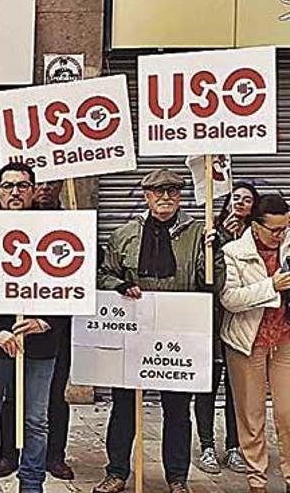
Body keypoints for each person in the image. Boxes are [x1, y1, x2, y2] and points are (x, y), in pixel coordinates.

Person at [93, 169, 211, 493]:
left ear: (181, 197)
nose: (165, 198)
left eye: (172, 192)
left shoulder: (200, 233)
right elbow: (103, 275)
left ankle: (177, 478)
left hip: (178, 335)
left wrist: (216, 253)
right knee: (123, 408)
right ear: (146, 196)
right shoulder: (124, 234)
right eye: (158, 192)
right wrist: (120, 285)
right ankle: (116, 472)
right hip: (134, 334)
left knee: (177, 411)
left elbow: (212, 284)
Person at [0, 162, 60, 493]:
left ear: (34, 191)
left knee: (36, 422)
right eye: (8, 186)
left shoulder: (59, 228)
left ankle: (32, 485)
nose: (15, 192)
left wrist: (46, 320)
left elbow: (74, 288)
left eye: (22, 185)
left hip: (40, 345)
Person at [0, 178, 75, 481]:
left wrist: (48, 321)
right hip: (11, 326)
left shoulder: (69, 224)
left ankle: (53, 456)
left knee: (54, 395)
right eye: (36, 182)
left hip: (53, 331)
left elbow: (76, 285)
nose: (42, 188)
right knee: (10, 395)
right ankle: (8, 454)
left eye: (49, 182)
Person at [220, 194, 290, 493]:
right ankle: (257, 481)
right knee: (251, 416)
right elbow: (230, 299)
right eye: (274, 230)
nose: (280, 235)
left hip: (284, 337)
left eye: (285, 228)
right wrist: (270, 286)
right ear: (256, 226)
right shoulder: (233, 252)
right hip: (247, 341)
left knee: (287, 413)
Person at [194, 182, 259, 475]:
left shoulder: (258, 238)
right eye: (236, 198)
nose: (240, 203)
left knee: (237, 390)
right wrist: (218, 241)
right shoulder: (211, 234)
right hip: (210, 320)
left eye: (247, 200)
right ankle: (207, 445)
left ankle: (235, 446)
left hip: (242, 322)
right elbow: (206, 277)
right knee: (207, 386)